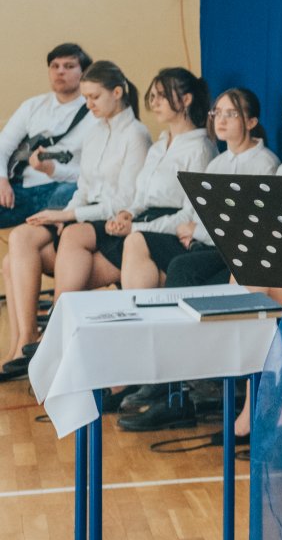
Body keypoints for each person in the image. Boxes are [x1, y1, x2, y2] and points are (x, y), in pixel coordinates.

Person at [1, 61, 150, 377]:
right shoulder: (96, 132)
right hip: (83, 215)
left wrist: (70, 214)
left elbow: (124, 200)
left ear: (118, 92)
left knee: (73, 233)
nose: (89, 105)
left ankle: (54, 333)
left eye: (95, 97)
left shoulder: (136, 134)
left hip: (107, 220)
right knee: (20, 239)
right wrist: (66, 213)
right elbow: (84, 186)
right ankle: (23, 341)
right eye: (86, 97)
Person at [51, 68, 214, 300]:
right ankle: (57, 321)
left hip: (169, 234)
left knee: (126, 245)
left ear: (186, 100)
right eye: (153, 96)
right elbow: (140, 198)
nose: (154, 102)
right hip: (142, 224)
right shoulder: (158, 147)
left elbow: (189, 217)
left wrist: (136, 228)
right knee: (77, 268)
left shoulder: (200, 149)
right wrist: (127, 214)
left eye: (162, 96)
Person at [123, 87, 281, 292]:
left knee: (181, 268)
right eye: (217, 113)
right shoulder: (217, 164)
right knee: (137, 241)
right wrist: (191, 232)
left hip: (233, 253)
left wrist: (197, 232)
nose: (221, 121)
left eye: (231, 114)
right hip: (203, 242)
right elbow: (198, 211)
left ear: (251, 122)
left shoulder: (265, 164)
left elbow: (249, 229)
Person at [0, 43, 95, 229]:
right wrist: (2, 180)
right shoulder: (33, 106)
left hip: (63, 190)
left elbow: (93, 175)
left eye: (69, 66)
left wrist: (53, 170)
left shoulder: (95, 114)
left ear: (84, 73)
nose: (60, 72)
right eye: (55, 66)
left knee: (69, 194)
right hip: (21, 189)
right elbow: (3, 145)